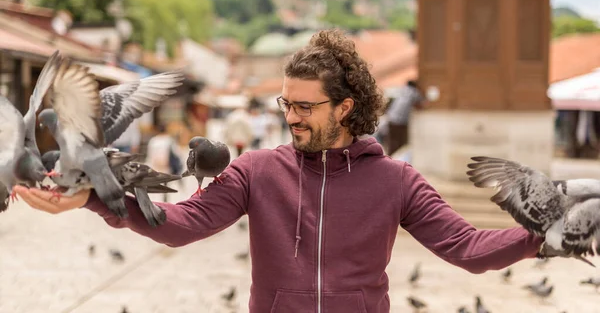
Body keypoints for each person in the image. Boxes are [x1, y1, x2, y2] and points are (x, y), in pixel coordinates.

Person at [16, 29, 547, 313]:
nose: (289, 116)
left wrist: (545, 237)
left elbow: (469, 251)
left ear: (344, 108)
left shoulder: (398, 182)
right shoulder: (256, 170)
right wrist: (93, 199)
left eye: (304, 106)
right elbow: (179, 227)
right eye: (284, 103)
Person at [385, 80, 424, 156]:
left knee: (392, 142)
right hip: (400, 121)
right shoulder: (413, 92)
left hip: (391, 118)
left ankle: (389, 158)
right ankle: (392, 159)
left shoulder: (401, 90)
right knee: (402, 142)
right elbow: (422, 102)